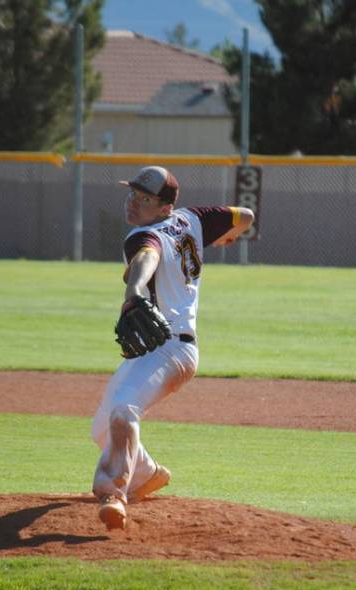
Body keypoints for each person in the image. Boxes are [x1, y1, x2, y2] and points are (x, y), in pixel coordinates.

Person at [91, 165, 254, 529]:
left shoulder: (142, 237)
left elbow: (146, 257)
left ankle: (113, 492)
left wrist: (134, 291)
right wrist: (227, 235)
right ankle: (146, 475)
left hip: (169, 348)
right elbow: (246, 216)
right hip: (165, 348)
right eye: (132, 193)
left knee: (122, 410)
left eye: (144, 199)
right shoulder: (195, 219)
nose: (133, 203)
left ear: (164, 207)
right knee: (102, 427)